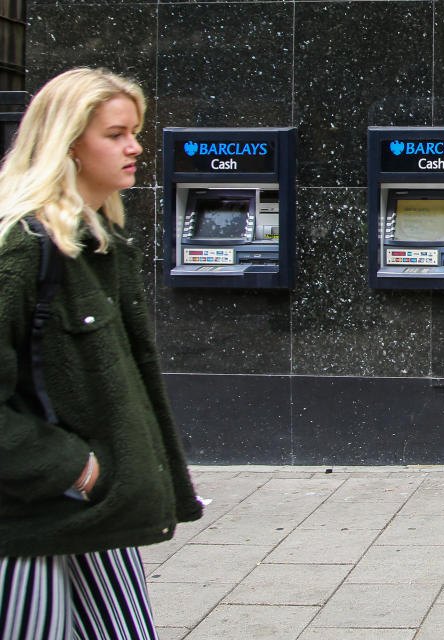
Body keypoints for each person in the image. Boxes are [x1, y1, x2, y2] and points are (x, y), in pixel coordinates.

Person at [0, 68, 203, 639]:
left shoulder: (97, 244)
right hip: (32, 521)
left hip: (102, 513)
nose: (136, 146)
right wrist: (75, 469)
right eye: (116, 134)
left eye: (135, 131)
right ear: (67, 143)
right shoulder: (23, 248)